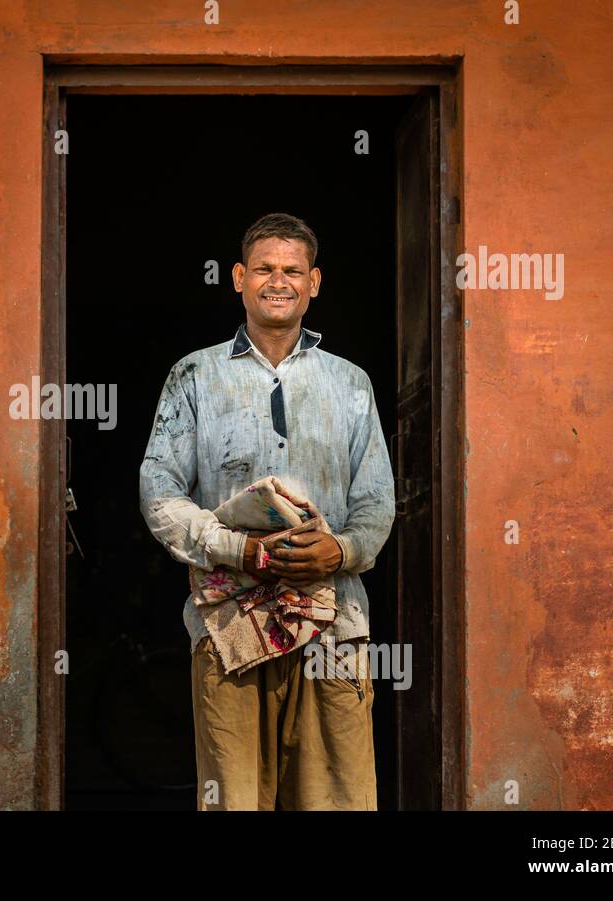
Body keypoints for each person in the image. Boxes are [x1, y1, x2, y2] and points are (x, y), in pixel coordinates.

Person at [138, 212, 396, 810]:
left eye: (292, 270)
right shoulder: (194, 376)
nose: (277, 281)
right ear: (237, 278)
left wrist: (343, 551)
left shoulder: (351, 383)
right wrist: (240, 549)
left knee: (336, 799)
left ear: (314, 283)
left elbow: (377, 500)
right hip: (228, 625)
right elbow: (159, 492)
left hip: (334, 627)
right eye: (263, 269)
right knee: (234, 801)